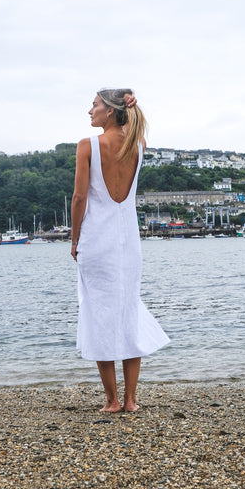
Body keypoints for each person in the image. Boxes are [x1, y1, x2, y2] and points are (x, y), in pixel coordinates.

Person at [71, 88, 170, 412]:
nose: (90, 111)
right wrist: (132, 107)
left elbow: (79, 198)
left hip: (97, 241)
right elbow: (132, 129)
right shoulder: (137, 146)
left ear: (110, 111)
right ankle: (130, 400)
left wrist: (74, 240)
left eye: (95, 105)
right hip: (129, 243)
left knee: (98, 313)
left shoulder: (88, 146)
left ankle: (112, 401)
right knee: (128, 312)